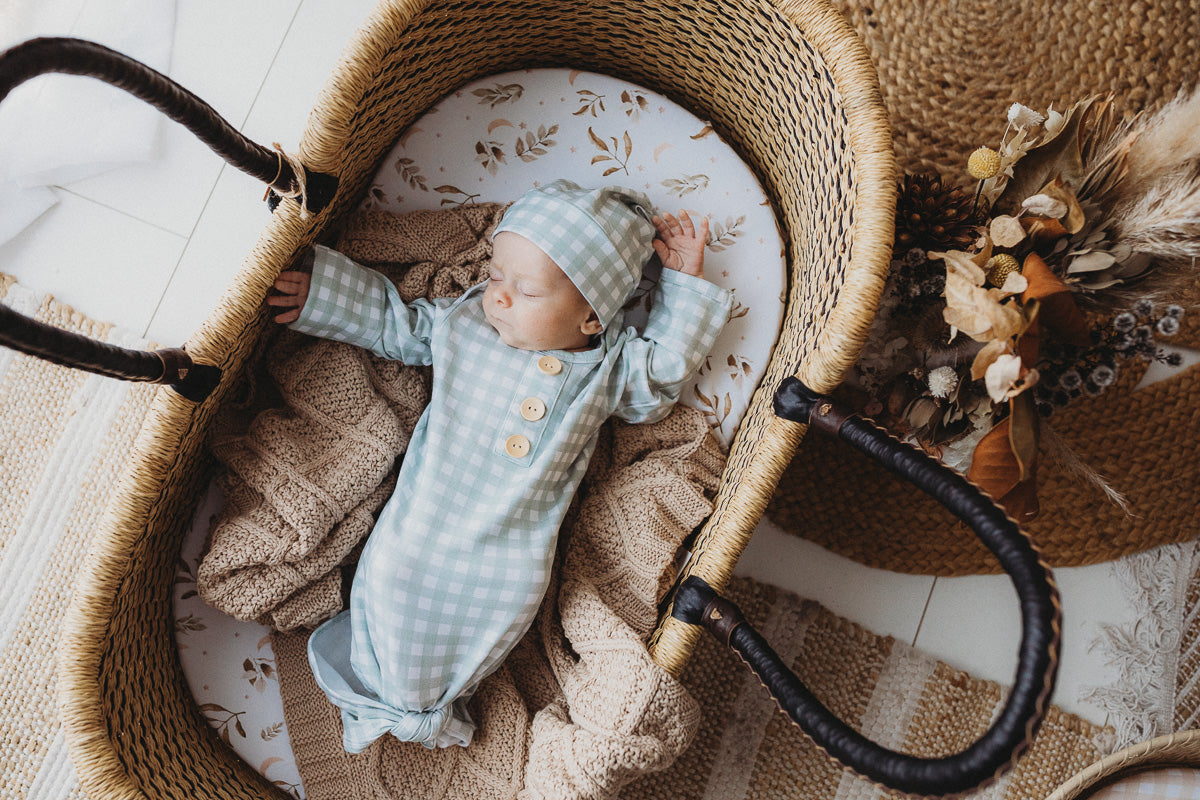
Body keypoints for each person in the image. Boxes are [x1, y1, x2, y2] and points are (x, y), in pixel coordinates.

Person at [267, 180, 731, 752]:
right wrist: (322, 296)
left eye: (527, 290)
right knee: (392, 579)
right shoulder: (464, 326)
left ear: (592, 317)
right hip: (424, 524)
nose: (501, 297)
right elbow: (396, 322)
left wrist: (683, 284)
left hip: (513, 552)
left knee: (502, 609)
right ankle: (395, 688)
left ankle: (436, 695)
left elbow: (660, 380)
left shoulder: (609, 368)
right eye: (495, 276)